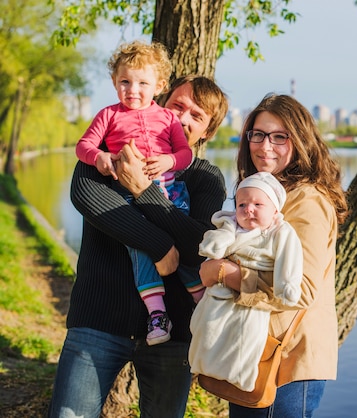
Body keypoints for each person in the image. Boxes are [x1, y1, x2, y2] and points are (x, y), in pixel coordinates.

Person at [47, 75, 229, 418]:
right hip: (97, 321)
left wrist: (142, 190)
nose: (184, 118)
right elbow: (85, 196)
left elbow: (201, 246)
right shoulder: (114, 152)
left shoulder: (205, 177)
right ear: (161, 105)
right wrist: (160, 246)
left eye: (197, 116)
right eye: (178, 106)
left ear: (207, 132)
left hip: (174, 334)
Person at [199, 93, 349, 418]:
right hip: (252, 350)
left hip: (287, 360)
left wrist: (223, 274)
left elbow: (302, 291)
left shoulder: (307, 201)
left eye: (280, 137)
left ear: (300, 141)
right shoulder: (260, 194)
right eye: (258, 134)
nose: (265, 146)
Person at [75, 40, 202, 345]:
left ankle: (203, 301)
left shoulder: (169, 118)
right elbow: (83, 146)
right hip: (129, 198)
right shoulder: (108, 115)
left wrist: (169, 159)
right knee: (140, 250)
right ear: (114, 82)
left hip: (171, 194)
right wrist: (100, 157)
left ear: (159, 85)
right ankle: (157, 314)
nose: (133, 90)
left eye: (142, 83)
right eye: (125, 82)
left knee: (183, 247)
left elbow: (186, 154)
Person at [189, 171, 303, 391]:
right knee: (208, 329)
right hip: (219, 294)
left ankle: (240, 375)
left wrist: (286, 284)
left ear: (275, 210)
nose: (248, 209)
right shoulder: (230, 226)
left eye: (258, 204)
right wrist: (217, 243)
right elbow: (213, 244)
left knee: (246, 338)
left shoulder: (279, 232)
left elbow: (289, 258)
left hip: (251, 298)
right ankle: (202, 363)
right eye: (241, 205)